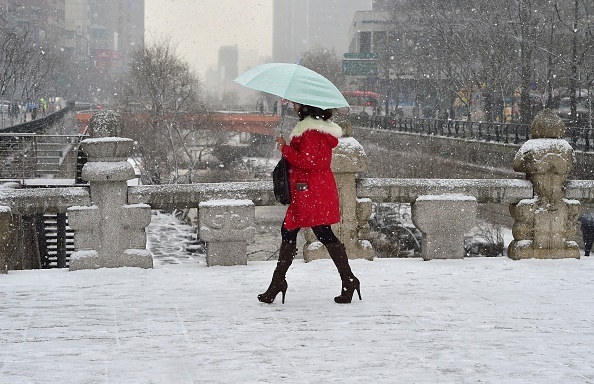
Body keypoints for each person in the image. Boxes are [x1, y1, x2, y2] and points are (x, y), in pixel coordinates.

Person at [258, 102, 361, 305]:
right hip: (312, 189)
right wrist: (287, 146)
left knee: (298, 231)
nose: (294, 106)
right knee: (314, 232)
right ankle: (348, 280)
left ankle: (278, 283)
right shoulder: (316, 129)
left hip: (310, 190)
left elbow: (308, 162)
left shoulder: (311, 131)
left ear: (307, 107)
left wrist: (285, 149)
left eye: (297, 104)